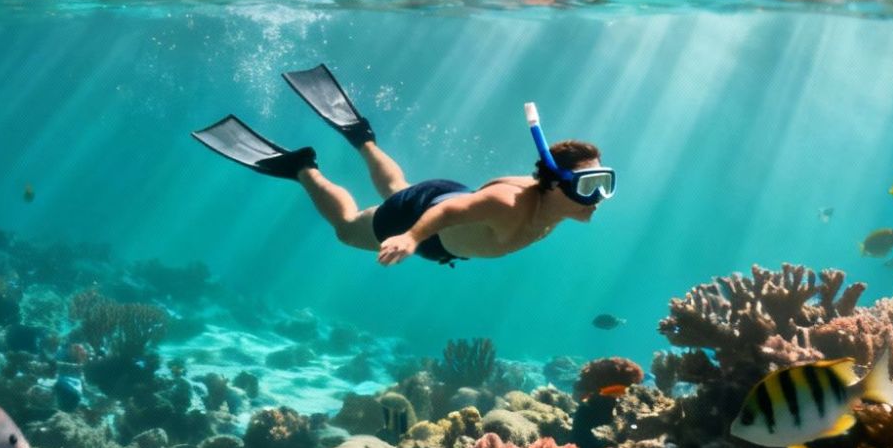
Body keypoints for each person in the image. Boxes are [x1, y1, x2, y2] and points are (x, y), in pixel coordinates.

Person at [191, 65, 612, 267]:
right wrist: (409, 239)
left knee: (399, 188)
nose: (598, 198)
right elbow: (448, 212)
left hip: (442, 196)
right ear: (556, 184)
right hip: (429, 217)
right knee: (348, 229)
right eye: (590, 185)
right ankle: (303, 168)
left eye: (603, 183)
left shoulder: (554, 198)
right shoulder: (510, 203)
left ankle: (361, 138)